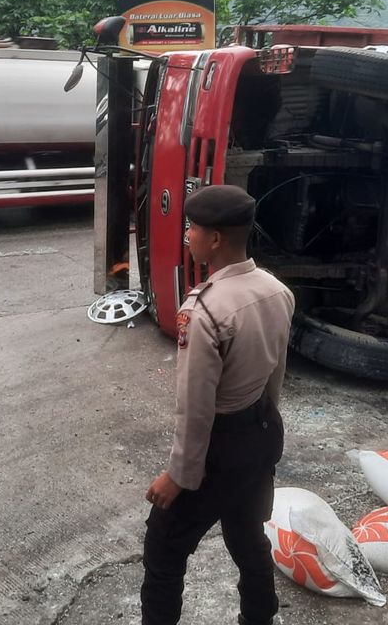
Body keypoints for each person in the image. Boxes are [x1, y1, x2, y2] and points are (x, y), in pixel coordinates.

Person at [140, 185, 295, 625]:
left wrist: (180, 476)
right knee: (248, 537)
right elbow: (275, 375)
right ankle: (259, 617)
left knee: (163, 549)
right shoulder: (276, 290)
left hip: (220, 448)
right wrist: (264, 426)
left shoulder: (204, 310)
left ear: (215, 240)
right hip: (262, 433)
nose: (187, 235)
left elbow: (196, 406)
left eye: (193, 228)